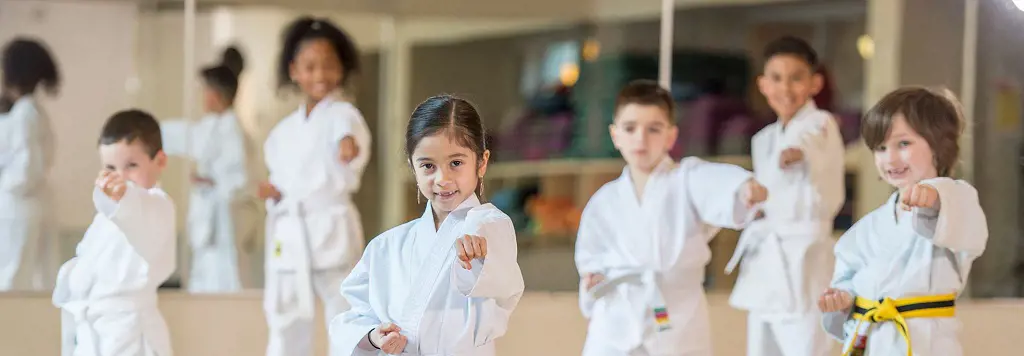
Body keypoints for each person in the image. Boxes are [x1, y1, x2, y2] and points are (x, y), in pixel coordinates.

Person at [575, 80, 768, 356]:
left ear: (670, 136)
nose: (641, 138)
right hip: (616, 319)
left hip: (677, 315)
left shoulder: (686, 179)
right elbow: (590, 260)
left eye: (653, 129)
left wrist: (743, 188)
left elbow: (716, 183)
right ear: (615, 135)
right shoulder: (603, 201)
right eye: (630, 128)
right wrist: (593, 280)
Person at [330, 94, 524, 356]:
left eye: (456, 163)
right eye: (428, 166)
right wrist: (374, 336)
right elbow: (352, 317)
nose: (442, 179)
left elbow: (499, 279)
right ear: (412, 167)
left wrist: (476, 257)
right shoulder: (386, 247)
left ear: (482, 162)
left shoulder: (491, 228)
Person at [818, 87, 987, 356]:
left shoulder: (956, 197)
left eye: (903, 144)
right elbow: (850, 278)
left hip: (925, 342)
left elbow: (967, 230)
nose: (890, 159)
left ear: (938, 144)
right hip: (875, 340)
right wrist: (842, 299)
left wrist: (933, 200)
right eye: (881, 148)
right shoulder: (867, 227)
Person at [724, 36, 845, 356]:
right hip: (768, 256)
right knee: (763, 347)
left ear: (815, 83)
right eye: (776, 79)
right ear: (763, 84)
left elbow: (809, 144)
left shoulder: (820, 124)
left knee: (805, 345)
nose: (786, 88)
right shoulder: (764, 139)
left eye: (796, 78)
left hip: (806, 255)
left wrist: (798, 152)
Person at [258, 16, 371, 356]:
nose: (319, 75)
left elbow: (348, 140)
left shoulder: (344, 115)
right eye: (310, 66)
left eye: (328, 65)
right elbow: (281, 182)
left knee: (346, 315)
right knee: (285, 322)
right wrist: (274, 194)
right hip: (290, 232)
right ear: (294, 70)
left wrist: (347, 147)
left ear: (341, 69)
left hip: (330, 228)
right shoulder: (281, 132)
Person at [52, 109, 176, 356]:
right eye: (110, 167)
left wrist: (126, 198)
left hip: (130, 337)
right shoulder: (105, 218)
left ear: (159, 162)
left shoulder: (157, 206)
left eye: (131, 165)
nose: (120, 177)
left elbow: (138, 214)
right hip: (95, 334)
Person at [161, 46, 250, 293]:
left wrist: (211, 183)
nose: (202, 97)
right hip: (208, 221)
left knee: (222, 279)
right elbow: (188, 136)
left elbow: (239, 181)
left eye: (205, 91)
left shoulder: (231, 130)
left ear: (216, 95)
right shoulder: (212, 125)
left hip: (223, 222)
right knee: (204, 276)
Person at [0, 37, 60, 292]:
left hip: (19, 206)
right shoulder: (30, 111)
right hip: (30, 204)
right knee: (34, 280)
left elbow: (27, 168)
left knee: (12, 280)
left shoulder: (25, 113)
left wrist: (6, 184)